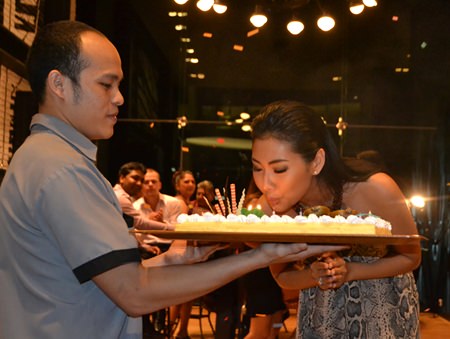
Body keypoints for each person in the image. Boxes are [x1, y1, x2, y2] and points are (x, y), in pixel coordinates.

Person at [0, 20, 342, 339]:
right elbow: (133, 294)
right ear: (58, 84)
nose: (119, 97)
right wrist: (260, 256)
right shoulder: (61, 168)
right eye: (106, 84)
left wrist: (173, 259)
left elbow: (101, 280)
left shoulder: (42, 158)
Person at [249, 100, 421, 338]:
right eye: (257, 168)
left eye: (279, 170)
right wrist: (315, 275)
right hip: (321, 320)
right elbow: (282, 277)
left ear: (317, 162)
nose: (265, 184)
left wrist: (351, 271)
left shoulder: (374, 189)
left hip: (383, 315)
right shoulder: (274, 211)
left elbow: (411, 257)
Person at [113, 161, 173, 232]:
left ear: (160, 185)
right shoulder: (120, 197)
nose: (139, 183)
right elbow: (140, 223)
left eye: (141, 180)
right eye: (135, 178)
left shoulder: (173, 202)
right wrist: (173, 228)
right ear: (122, 178)